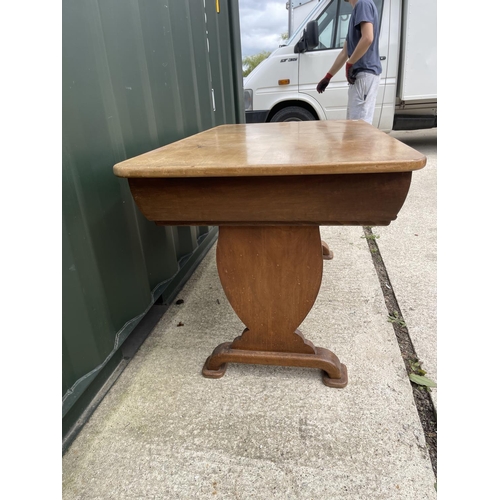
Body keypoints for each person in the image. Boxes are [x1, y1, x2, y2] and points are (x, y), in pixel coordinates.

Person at [316, 0, 382, 125]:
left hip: (365, 73)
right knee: (354, 124)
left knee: (359, 127)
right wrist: (328, 77)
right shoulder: (357, 10)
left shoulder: (363, 3)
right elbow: (344, 52)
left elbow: (368, 38)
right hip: (360, 76)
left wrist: (350, 64)